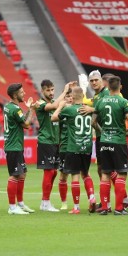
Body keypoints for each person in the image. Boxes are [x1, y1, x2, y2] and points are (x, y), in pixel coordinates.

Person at [81, 71, 128, 211]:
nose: (94, 83)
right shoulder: (98, 96)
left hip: (108, 136)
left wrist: (92, 109)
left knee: (108, 170)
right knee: (104, 169)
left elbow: (99, 108)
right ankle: (109, 203)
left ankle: (118, 201)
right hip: (101, 137)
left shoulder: (106, 95)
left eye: (96, 80)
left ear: (104, 82)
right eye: (91, 81)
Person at [92, 75, 128, 215]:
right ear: (120, 87)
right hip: (118, 141)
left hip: (104, 141)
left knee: (105, 173)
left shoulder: (100, 101)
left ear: (108, 87)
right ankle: (119, 208)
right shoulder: (123, 102)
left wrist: (102, 131)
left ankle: (105, 207)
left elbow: (93, 122)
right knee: (121, 174)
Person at [52, 86, 98, 214]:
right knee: (86, 174)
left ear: (72, 96)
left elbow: (53, 117)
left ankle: (76, 207)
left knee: (75, 176)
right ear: (83, 95)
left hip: (74, 147)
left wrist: (61, 106)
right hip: (87, 146)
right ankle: (92, 198)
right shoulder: (88, 110)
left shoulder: (70, 110)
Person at [34, 79, 74, 212]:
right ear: (42, 91)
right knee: (49, 171)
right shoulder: (39, 103)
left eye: (52, 90)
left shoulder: (53, 102)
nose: (51, 93)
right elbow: (55, 105)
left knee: (54, 172)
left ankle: (46, 202)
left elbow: (57, 104)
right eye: (48, 90)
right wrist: (64, 91)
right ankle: (45, 203)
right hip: (46, 141)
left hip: (55, 142)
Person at [3, 83, 36, 215]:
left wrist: (27, 110)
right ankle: (12, 207)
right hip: (14, 146)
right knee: (14, 175)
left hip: (16, 145)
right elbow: (26, 124)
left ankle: (20, 204)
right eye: (22, 92)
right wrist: (32, 109)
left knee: (22, 174)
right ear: (15, 95)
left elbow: (22, 121)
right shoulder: (15, 109)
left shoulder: (9, 106)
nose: (24, 94)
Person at [56, 89, 73, 210]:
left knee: (82, 174)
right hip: (64, 147)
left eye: (72, 96)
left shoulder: (80, 109)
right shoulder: (61, 112)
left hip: (77, 146)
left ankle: (90, 200)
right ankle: (64, 202)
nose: (70, 98)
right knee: (63, 175)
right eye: (67, 96)